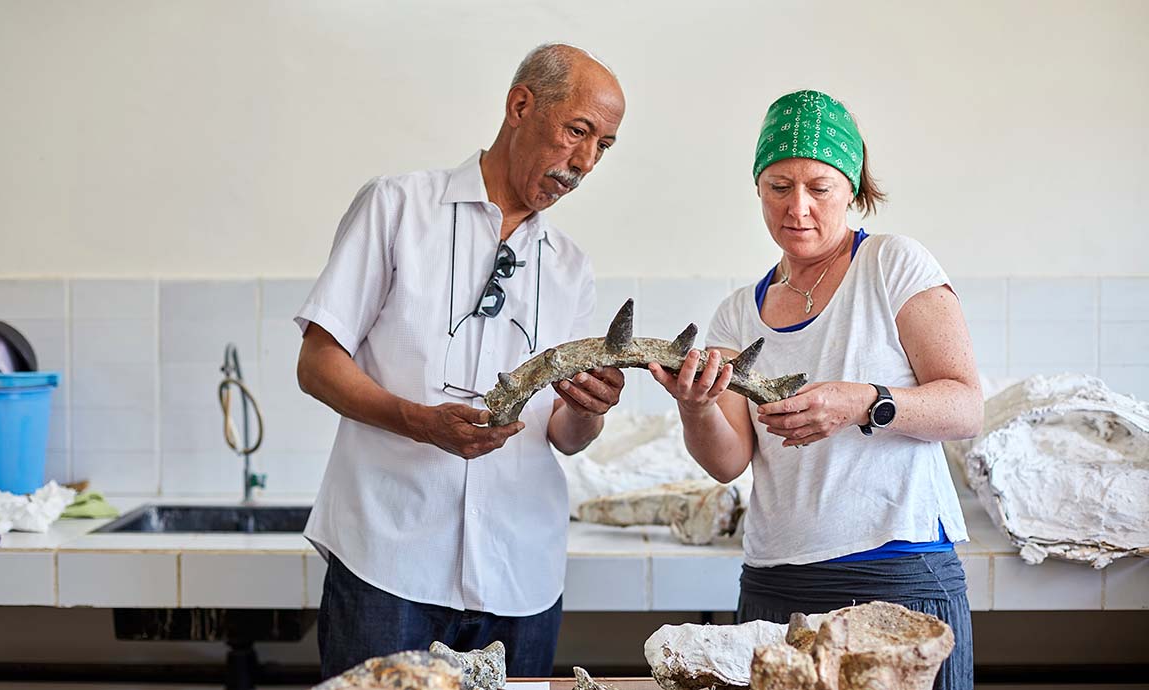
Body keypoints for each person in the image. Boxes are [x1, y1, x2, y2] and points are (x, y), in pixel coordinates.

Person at [294, 44, 627, 679]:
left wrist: (590, 411)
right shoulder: (397, 208)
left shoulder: (570, 265)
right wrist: (421, 422)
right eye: (577, 131)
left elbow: (564, 433)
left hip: (519, 576)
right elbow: (317, 363)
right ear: (520, 106)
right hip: (386, 561)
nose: (584, 162)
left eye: (603, 147)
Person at [648, 89, 982, 690]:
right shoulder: (735, 316)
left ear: (852, 189)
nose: (796, 207)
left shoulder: (892, 266)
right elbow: (727, 462)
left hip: (898, 578)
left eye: (818, 188)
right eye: (779, 186)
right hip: (778, 584)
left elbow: (964, 405)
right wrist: (693, 408)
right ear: (757, 188)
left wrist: (864, 402)